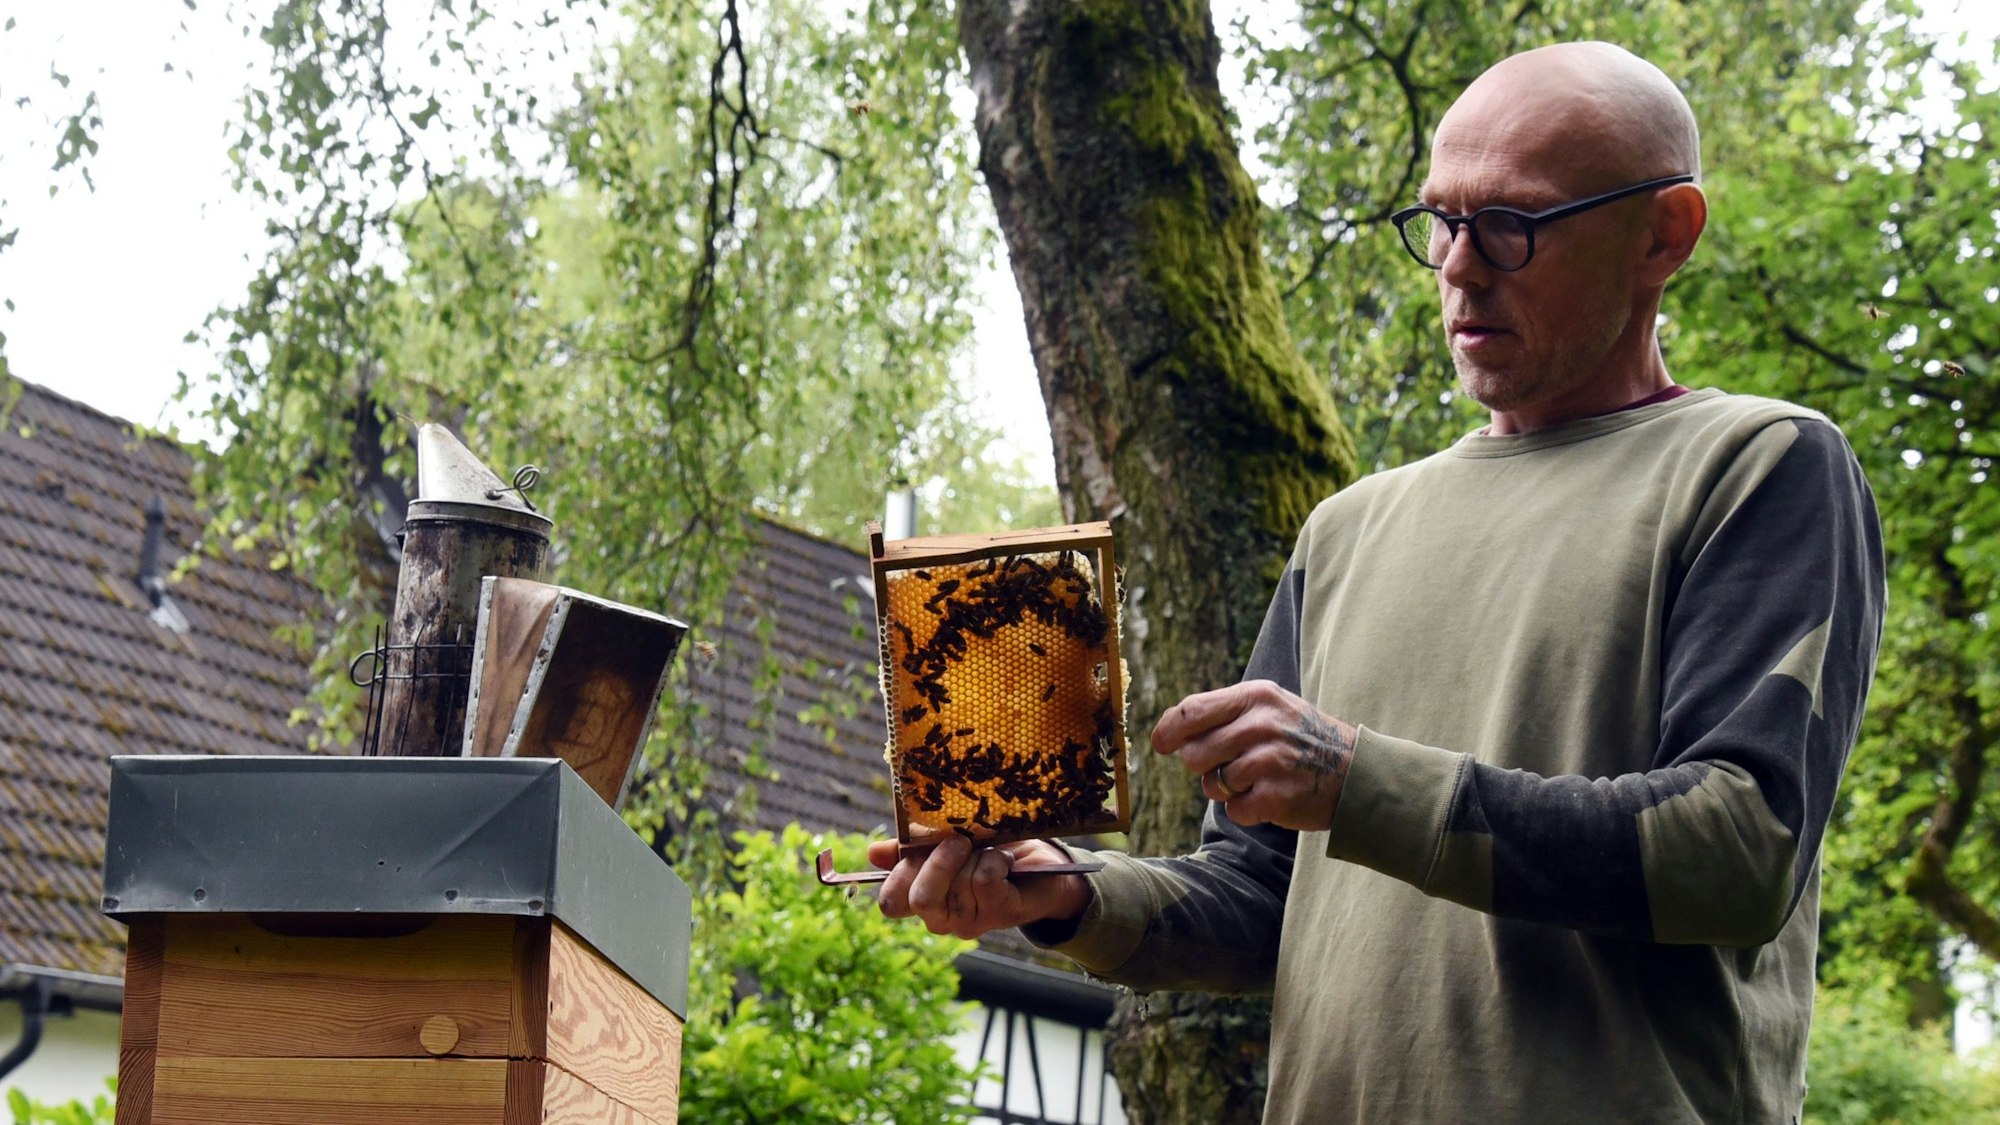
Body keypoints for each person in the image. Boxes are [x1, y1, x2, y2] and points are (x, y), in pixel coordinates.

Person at [868, 40, 1884, 1123]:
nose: (1458, 265)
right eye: (1441, 221)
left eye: (1512, 223)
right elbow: (1262, 895)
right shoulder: (1347, 529)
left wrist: (1359, 785)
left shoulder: (1760, 464)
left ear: (1662, 233)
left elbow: (1734, 849)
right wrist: (1071, 892)